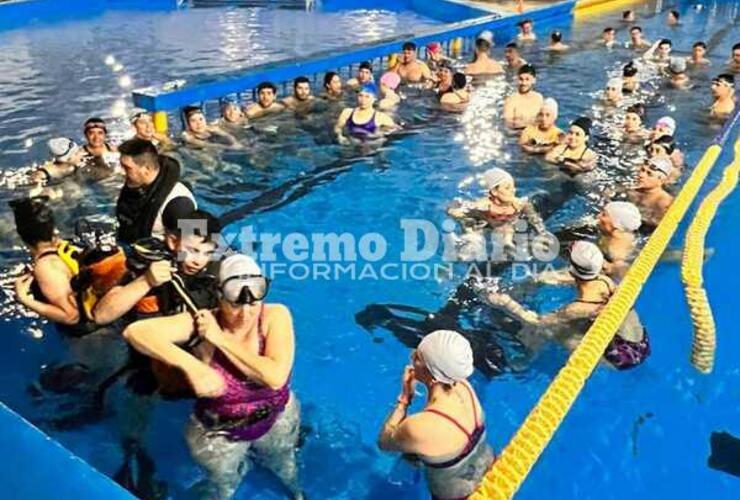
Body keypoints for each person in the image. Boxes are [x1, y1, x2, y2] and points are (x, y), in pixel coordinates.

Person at [123, 254, 302, 499]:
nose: (246, 313)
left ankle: (296, 493)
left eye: (253, 303)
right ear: (219, 295)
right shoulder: (201, 323)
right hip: (219, 432)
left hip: (277, 416)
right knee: (224, 486)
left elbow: (275, 377)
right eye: (236, 304)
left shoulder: (275, 315)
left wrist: (220, 338)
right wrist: (193, 367)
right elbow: (136, 332)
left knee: (286, 466)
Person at [484, 241, 650, 370]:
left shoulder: (576, 308)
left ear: (572, 268)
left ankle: (525, 359)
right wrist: (541, 278)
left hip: (622, 359)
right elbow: (577, 278)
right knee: (577, 322)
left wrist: (506, 303)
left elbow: (539, 321)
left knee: (551, 329)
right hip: (641, 342)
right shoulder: (604, 280)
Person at [378, 330, 494, 500]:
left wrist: (404, 399)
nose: (411, 356)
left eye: (418, 357)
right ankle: (413, 456)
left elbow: (384, 443)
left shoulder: (419, 427)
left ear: (432, 376)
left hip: (460, 496)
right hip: (490, 469)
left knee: (413, 440)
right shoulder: (464, 386)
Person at [93, 208, 221, 325]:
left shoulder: (213, 272)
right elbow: (100, 316)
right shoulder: (150, 264)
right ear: (172, 242)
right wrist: (146, 281)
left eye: (208, 253)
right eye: (193, 251)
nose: (199, 261)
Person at [11, 197, 80, 326]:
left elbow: (72, 316)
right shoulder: (61, 247)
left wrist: (24, 299)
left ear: (21, 236)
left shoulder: (47, 268)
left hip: (88, 338)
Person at [116, 139, 196, 244]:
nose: (120, 172)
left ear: (147, 169)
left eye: (127, 168)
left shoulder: (179, 203)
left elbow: (196, 246)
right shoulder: (135, 185)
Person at [447, 167, 546, 251]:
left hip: (506, 227)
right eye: (507, 188)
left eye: (513, 187)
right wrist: (455, 210)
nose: (513, 191)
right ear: (494, 191)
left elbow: (536, 221)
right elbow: (454, 210)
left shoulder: (521, 204)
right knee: (474, 234)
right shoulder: (483, 206)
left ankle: (508, 244)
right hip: (485, 225)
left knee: (508, 227)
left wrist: (542, 234)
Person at [597, 201, 642, 280]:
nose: (598, 216)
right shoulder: (625, 232)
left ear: (616, 225)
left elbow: (625, 278)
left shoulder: (617, 252)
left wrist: (609, 268)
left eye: (604, 215)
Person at [629, 156, 674, 228]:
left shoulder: (664, 203)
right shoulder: (632, 190)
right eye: (642, 170)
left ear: (661, 181)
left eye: (649, 174)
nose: (641, 175)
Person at [503, 64, 544, 130]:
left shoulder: (539, 98)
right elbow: (508, 124)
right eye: (521, 79)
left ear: (534, 80)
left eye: (527, 79)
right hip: (518, 134)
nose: (523, 83)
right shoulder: (511, 100)